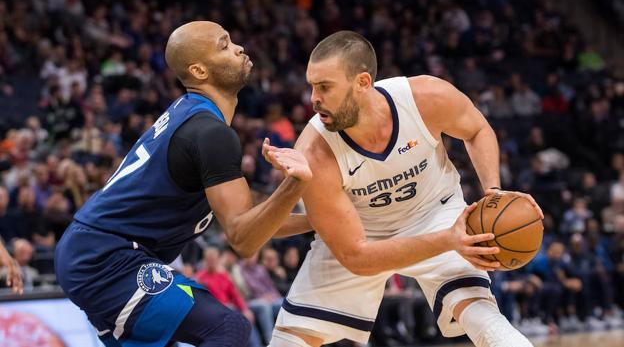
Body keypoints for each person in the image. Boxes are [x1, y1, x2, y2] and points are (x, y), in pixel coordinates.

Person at [263, 31, 543, 347]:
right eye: (311, 86)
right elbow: (356, 256)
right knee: (290, 341)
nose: (313, 98)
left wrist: (494, 191)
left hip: (435, 212)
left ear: (363, 83)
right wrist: (448, 240)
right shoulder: (314, 152)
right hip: (360, 231)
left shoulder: (426, 98)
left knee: (481, 316)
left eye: (324, 87)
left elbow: (477, 129)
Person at [54, 21, 312, 347]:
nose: (239, 48)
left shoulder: (193, 116)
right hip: (107, 256)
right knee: (227, 329)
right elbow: (245, 240)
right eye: (224, 45)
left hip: (95, 252)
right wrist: (294, 185)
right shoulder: (210, 133)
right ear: (199, 71)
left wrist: (317, 220)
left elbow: (253, 222)